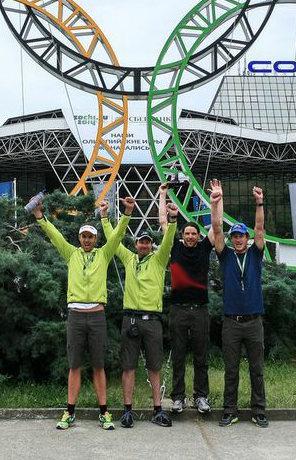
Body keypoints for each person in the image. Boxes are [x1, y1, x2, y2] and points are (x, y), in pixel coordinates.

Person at [30, 194, 134, 431]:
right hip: (75, 315)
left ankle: (104, 413)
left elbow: (117, 236)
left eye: (91, 237)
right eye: (84, 236)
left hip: (97, 315)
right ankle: (69, 412)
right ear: (79, 238)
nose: (87, 240)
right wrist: (39, 215)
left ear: (96, 239)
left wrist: (127, 213)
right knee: (74, 366)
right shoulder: (71, 254)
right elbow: (54, 236)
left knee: (99, 365)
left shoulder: (104, 254)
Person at [113, 186, 177, 428]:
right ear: (135, 243)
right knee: (128, 367)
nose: (144, 245)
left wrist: (171, 220)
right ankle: (127, 410)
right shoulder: (128, 258)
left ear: (151, 245)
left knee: (154, 366)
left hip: (152, 320)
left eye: (148, 242)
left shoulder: (159, 260)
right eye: (141, 242)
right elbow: (113, 238)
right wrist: (111, 216)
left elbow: (169, 240)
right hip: (129, 318)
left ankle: (157, 409)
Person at [211, 182, 269, 428]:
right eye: (234, 236)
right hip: (231, 322)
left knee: (257, 369)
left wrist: (259, 203)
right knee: (231, 370)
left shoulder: (256, 253)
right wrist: (217, 202)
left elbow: (259, 228)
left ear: (246, 238)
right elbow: (216, 227)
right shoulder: (225, 255)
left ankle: (259, 410)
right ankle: (230, 410)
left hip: (254, 321)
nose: (237, 239)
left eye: (241, 236)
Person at [168, 179, 221, 416]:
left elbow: (217, 227)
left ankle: (201, 397)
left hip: (200, 309)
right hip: (178, 309)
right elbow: (164, 224)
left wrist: (215, 202)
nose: (190, 236)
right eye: (187, 233)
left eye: (194, 233)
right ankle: (177, 398)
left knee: (201, 357)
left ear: (199, 236)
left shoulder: (204, 248)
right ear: (182, 235)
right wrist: (163, 200)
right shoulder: (175, 248)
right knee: (178, 356)